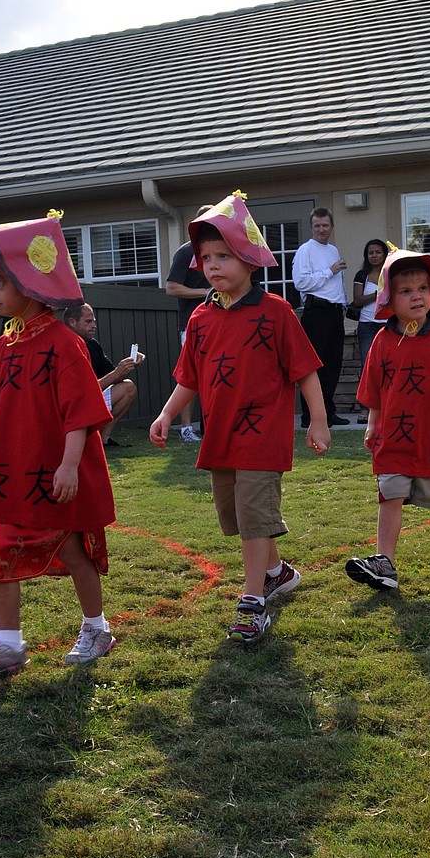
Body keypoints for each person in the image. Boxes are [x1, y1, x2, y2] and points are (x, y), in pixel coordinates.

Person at [150, 192, 331, 644]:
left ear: (250, 260)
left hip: (263, 435)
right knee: (238, 516)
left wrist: (318, 419)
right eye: (206, 257)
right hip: (221, 436)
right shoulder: (201, 319)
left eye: (223, 256)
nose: (212, 265)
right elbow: (189, 376)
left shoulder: (276, 312)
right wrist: (167, 413)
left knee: (252, 514)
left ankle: (253, 601)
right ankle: (277, 572)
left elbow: (304, 371)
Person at [0, 213, 117, 681]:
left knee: (72, 550)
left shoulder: (66, 344)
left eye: (0, 281)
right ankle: (7, 645)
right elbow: (4, 413)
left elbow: (81, 414)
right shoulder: (7, 344)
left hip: (54, 472)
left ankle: (96, 628)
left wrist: (68, 466)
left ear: (31, 281)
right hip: (12, 471)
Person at [345, 248, 430, 591]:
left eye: (422, 288)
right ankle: (384, 563)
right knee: (388, 494)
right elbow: (375, 390)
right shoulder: (382, 340)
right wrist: (372, 424)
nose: (416, 296)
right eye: (405, 291)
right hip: (394, 436)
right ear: (391, 299)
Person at [292, 207, 350, 426]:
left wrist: (343, 304)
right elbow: (301, 283)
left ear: (331, 227)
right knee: (313, 366)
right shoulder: (305, 250)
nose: (321, 229)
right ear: (311, 227)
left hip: (335, 313)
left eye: (325, 225)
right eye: (317, 225)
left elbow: (336, 284)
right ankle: (309, 416)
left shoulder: (333, 250)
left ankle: (327, 412)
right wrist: (330, 270)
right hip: (316, 313)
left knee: (333, 365)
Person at [64, 302, 146, 445]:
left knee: (128, 387)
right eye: (88, 322)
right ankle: (86, 440)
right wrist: (115, 374)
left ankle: (103, 439)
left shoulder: (93, 345)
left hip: (91, 400)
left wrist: (132, 364)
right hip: (71, 407)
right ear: (72, 322)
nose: (93, 325)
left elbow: (114, 376)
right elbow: (80, 392)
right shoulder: (65, 348)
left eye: (94, 321)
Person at [165, 204, 213, 441]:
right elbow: (171, 287)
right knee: (190, 375)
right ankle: (186, 428)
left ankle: (212, 424)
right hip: (191, 324)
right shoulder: (185, 252)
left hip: (217, 321)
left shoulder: (219, 250)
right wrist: (204, 292)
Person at [348, 238, 388, 422]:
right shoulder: (361, 275)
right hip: (367, 326)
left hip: (389, 325)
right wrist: (377, 293)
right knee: (368, 367)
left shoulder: (390, 274)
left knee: (388, 366)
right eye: (370, 253)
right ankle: (365, 408)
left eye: (378, 252)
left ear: (384, 254)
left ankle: (387, 406)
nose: (374, 256)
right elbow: (357, 301)